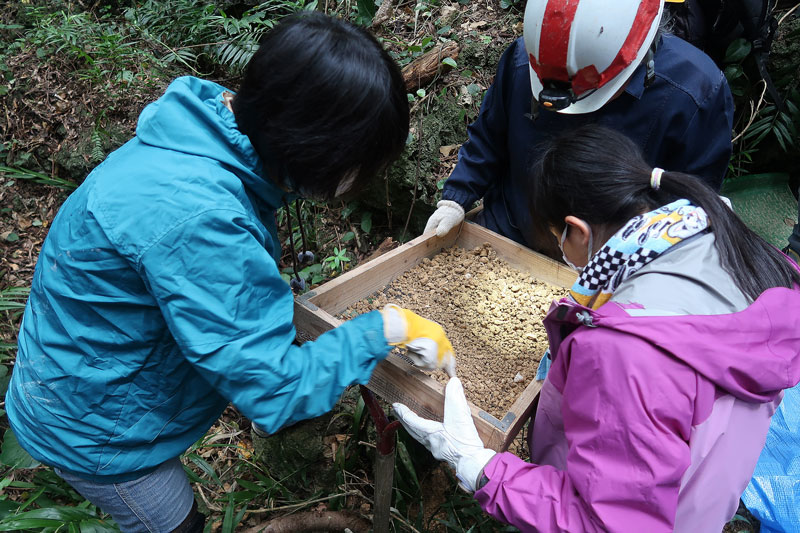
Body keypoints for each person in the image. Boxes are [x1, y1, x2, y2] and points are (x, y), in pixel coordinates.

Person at [5, 13, 456, 533]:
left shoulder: (211, 131)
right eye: (354, 168)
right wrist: (387, 329)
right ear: (312, 148)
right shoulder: (200, 219)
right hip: (96, 429)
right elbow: (276, 394)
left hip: (82, 370)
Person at [394, 125, 800, 532]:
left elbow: (605, 524)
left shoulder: (621, 354)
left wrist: (480, 468)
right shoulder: (733, 244)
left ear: (578, 230)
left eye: (558, 239)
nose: (562, 252)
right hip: (699, 502)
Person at [424, 0, 735, 256]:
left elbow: (690, 206)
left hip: (622, 266)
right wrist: (456, 197)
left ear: (637, 58)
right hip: (511, 234)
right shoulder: (525, 60)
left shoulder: (695, 93)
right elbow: (489, 138)